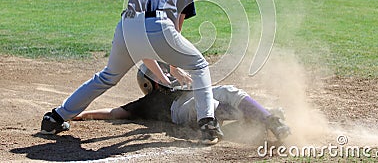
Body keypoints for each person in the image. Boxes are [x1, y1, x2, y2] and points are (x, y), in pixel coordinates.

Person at [40, 0, 224, 145]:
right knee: (199, 66)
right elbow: (174, 34)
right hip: (159, 23)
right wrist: (174, 68)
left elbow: (142, 46)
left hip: (125, 27)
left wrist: (167, 70)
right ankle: (207, 125)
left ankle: (54, 118)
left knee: (107, 76)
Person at [73, 64, 291, 143]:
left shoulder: (183, 85)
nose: (168, 75)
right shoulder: (149, 102)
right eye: (162, 73)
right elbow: (113, 113)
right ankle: (256, 118)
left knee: (227, 90)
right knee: (205, 103)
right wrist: (82, 113)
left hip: (195, 98)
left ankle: (269, 120)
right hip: (181, 111)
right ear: (151, 83)